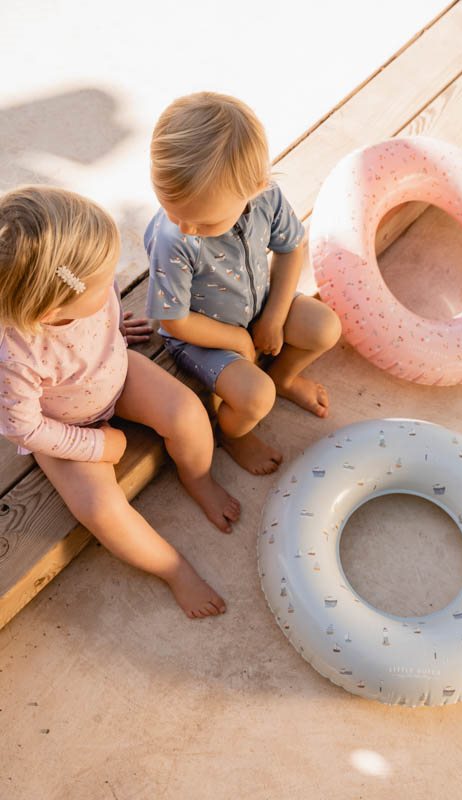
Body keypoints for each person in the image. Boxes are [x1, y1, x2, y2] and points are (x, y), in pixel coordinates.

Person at [0, 186, 240, 618]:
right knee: (101, 509)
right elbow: (25, 427)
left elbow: (93, 310)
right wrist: (97, 446)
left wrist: (110, 329)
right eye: (102, 282)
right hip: (62, 424)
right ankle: (173, 568)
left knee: (186, 411)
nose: (113, 278)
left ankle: (198, 477)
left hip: (114, 373)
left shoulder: (78, 284)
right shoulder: (16, 356)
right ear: (49, 311)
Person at [145, 92, 342, 475]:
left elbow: (290, 247)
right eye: (171, 209)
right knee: (255, 398)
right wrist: (235, 340)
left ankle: (283, 376)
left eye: (202, 222)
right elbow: (173, 321)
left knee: (325, 327)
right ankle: (232, 434)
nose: (185, 228)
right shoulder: (175, 238)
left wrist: (274, 317)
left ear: (255, 188)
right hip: (200, 335)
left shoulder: (266, 197)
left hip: (256, 306)